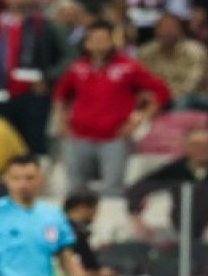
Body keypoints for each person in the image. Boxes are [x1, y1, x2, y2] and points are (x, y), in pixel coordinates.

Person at [55, 21, 171, 194]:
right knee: (75, 188)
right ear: (86, 42)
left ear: (112, 41)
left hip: (114, 138)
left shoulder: (128, 67)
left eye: (103, 39)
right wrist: (61, 122)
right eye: (94, 39)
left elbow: (162, 92)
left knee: (113, 189)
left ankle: (110, 221)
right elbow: (60, 95)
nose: (98, 44)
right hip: (79, 136)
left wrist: (141, 120)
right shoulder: (77, 67)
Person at [0, 0, 74, 155]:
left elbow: (70, 56)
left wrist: (48, 77)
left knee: (34, 143)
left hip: (34, 95)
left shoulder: (46, 25)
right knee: (1, 144)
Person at [126, 126, 208, 240]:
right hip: (181, 229)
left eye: (206, 144)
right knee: (141, 236)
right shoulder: (176, 169)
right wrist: (137, 218)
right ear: (186, 146)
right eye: (196, 145)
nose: (202, 149)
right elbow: (137, 189)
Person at [136, 15, 208, 112]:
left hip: (200, 97)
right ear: (156, 31)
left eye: (171, 27)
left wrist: (162, 97)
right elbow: (140, 81)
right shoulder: (146, 53)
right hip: (159, 98)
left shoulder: (195, 52)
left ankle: (169, 126)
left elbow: (191, 87)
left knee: (181, 101)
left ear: (180, 30)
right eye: (163, 28)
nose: (167, 31)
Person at [63, 190, 117, 276]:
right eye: (94, 209)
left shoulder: (80, 233)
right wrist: (101, 275)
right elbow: (70, 271)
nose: (96, 214)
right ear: (81, 208)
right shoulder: (68, 236)